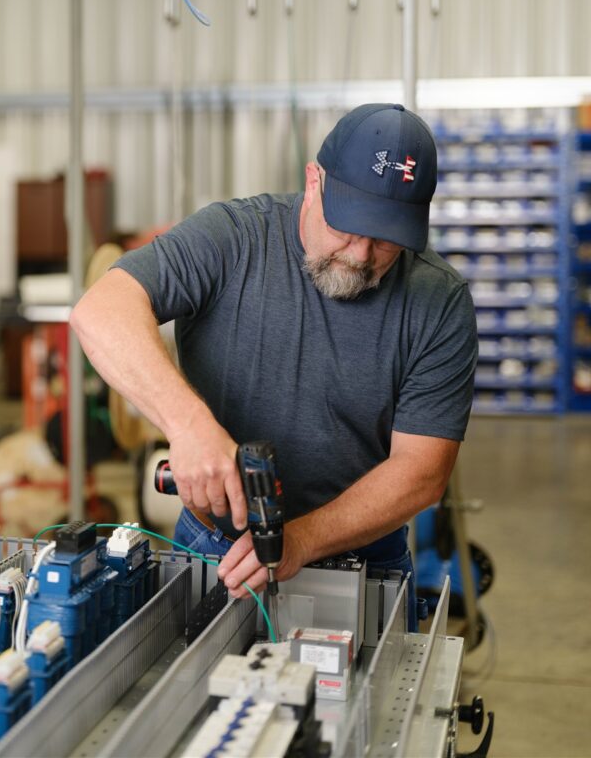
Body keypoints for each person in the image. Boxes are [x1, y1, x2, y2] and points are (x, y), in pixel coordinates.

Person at [70, 103, 477, 624]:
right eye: (348, 227)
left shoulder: (437, 301)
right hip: (215, 546)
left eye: (385, 239)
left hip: (363, 559)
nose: (361, 254)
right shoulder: (232, 239)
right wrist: (189, 424)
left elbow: (421, 472)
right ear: (314, 182)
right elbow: (100, 310)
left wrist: (302, 541)